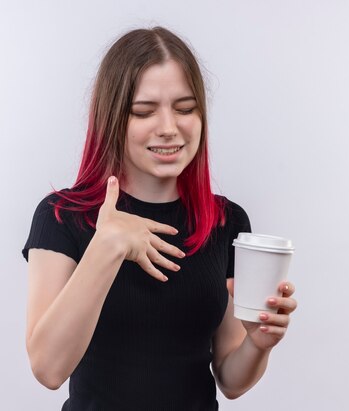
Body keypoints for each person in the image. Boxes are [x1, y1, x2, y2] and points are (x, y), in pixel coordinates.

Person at [22, 26, 297, 411]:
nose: (169, 128)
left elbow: (232, 381)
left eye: (185, 109)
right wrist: (107, 247)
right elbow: (48, 369)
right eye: (143, 111)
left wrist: (258, 343)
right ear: (113, 118)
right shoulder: (61, 217)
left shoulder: (226, 222)